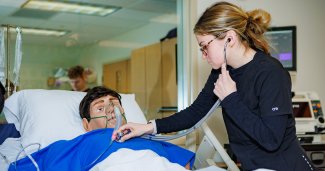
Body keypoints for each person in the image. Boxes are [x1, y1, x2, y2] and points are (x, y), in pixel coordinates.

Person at [113, 2, 315, 171]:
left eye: (205, 46)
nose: (203, 54)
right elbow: (194, 113)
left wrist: (230, 98)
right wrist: (147, 127)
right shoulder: (222, 72)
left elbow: (271, 139)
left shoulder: (270, 72)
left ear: (229, 38)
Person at [9, 86, 194, 170]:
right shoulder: (79, 143)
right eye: (100, 107)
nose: (110, 109)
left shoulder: (148, 137)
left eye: (114, 103)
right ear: (86, 124)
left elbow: (185, 165)